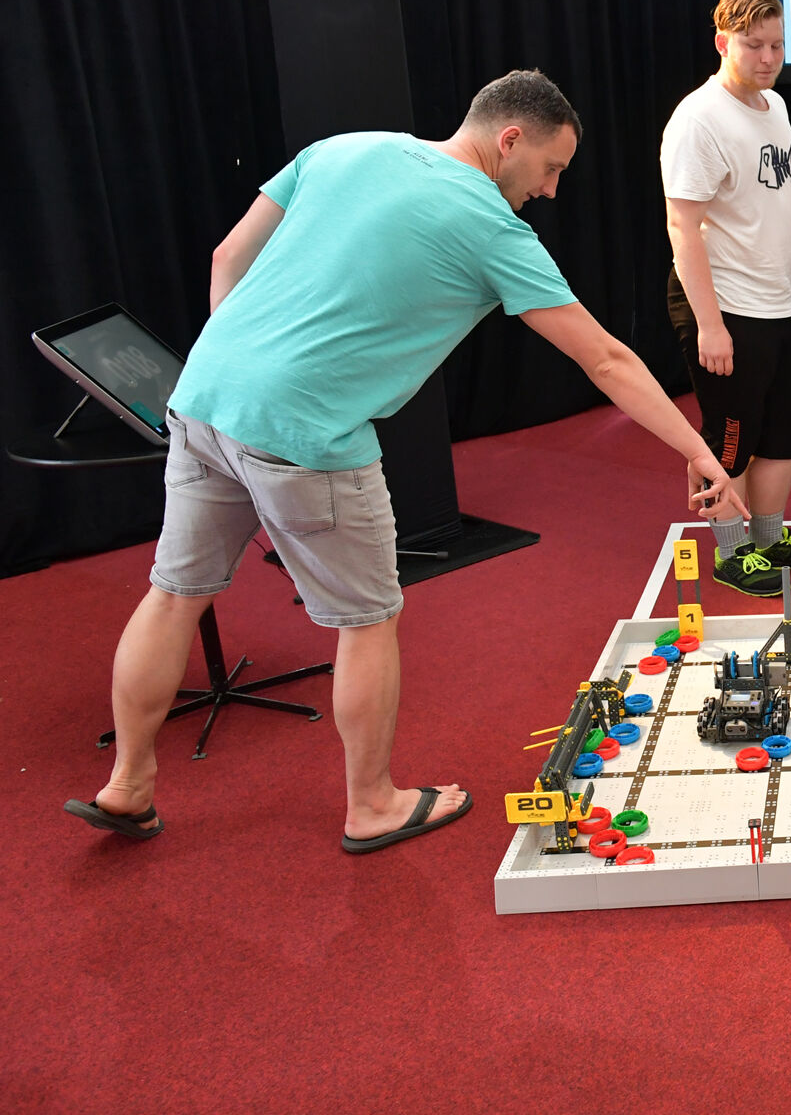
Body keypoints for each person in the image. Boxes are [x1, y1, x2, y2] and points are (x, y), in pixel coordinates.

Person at [64, 69, 745, 852]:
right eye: (551, 167)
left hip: (205, 398)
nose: (552, 190)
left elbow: (228, 255)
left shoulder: (342, 149)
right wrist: (699, 451)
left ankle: (128, 784)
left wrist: (248, 370)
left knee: (173, 594)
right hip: (308, 434)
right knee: (369, 620)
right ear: (509, 139)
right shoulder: (492, 227)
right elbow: (606, 360)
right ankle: (373, 805)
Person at [662, 0, 791, 597]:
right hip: (727, 306)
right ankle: (732, 552)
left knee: (787, 429)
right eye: (753, 45)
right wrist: (710, 326)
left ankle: (767, 538)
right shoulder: (699, 119)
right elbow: (681, 226)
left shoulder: (774, 105)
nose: (768, 58)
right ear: (722, 43)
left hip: (782, 302)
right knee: (731, 436)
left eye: (777, 45)